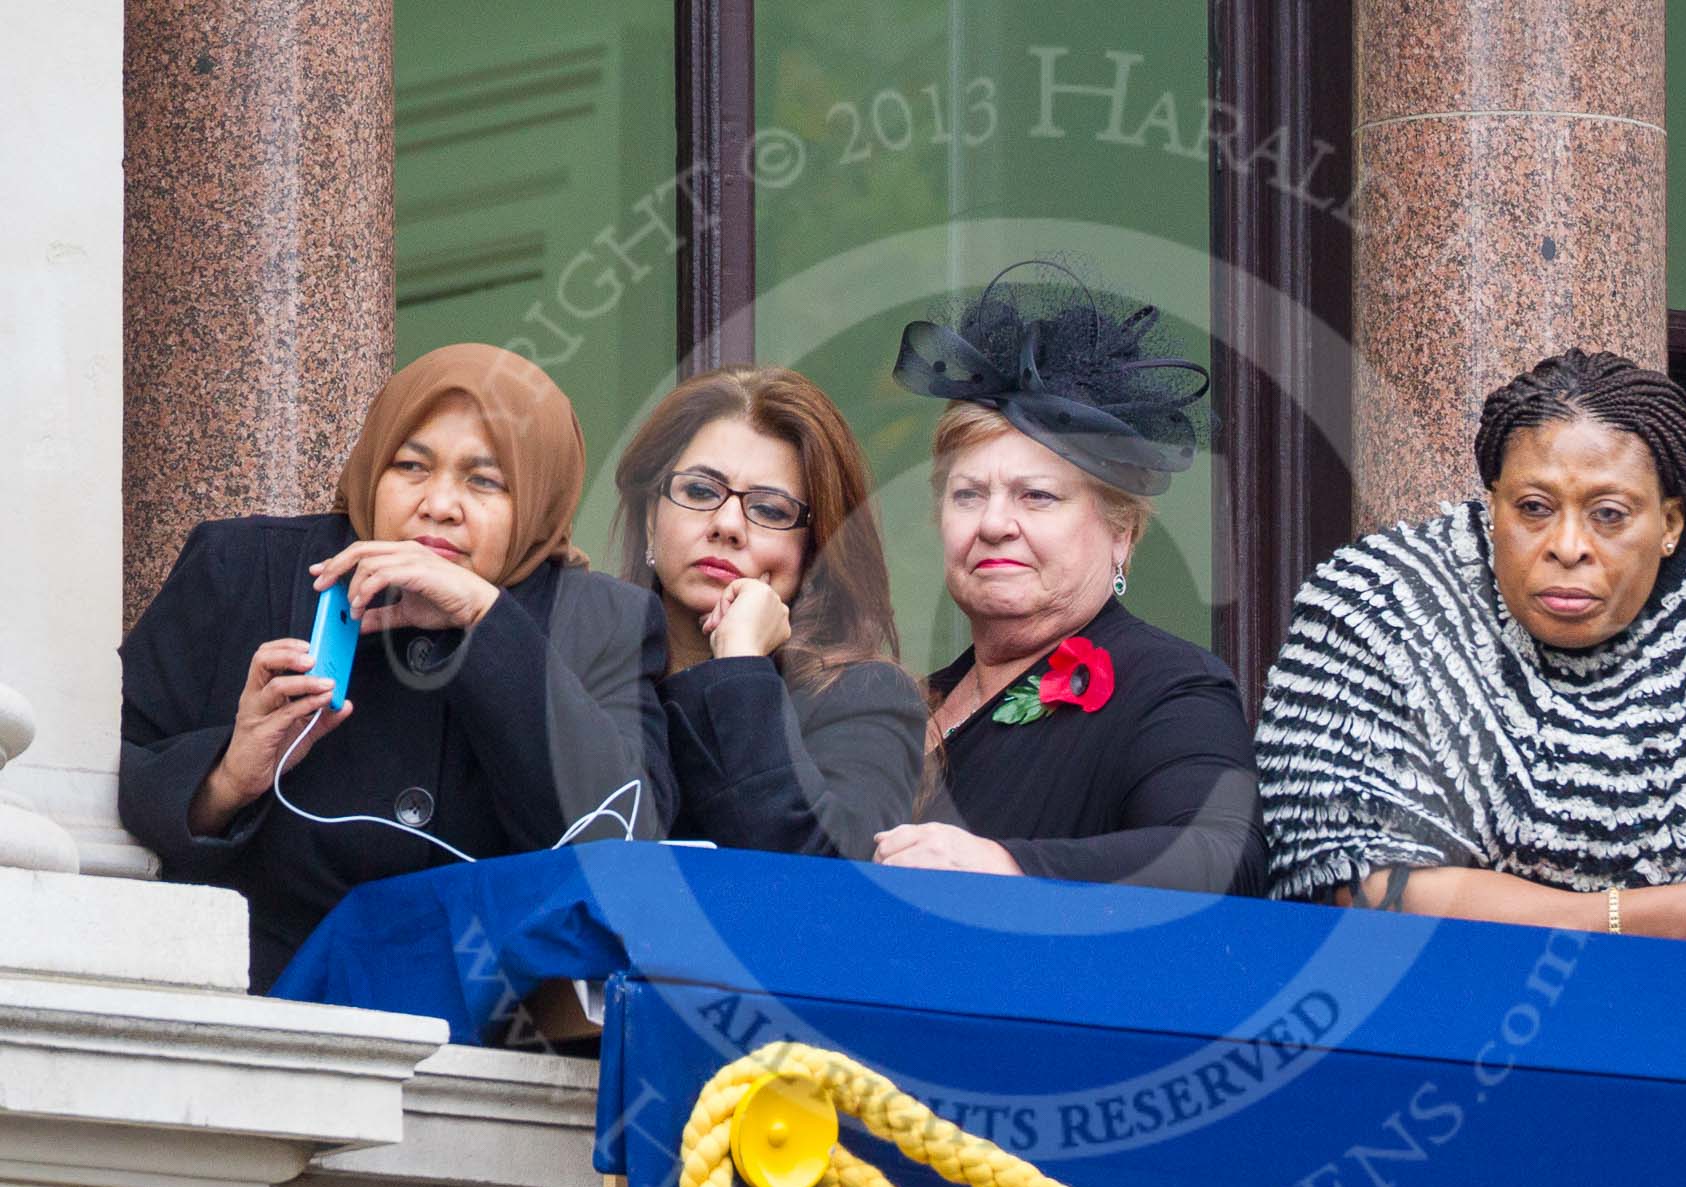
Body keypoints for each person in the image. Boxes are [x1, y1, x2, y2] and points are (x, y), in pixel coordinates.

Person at [1257, 348, 1686, 954]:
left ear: (1669, 524)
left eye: (1609, 514)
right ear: (1493, 506)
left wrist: (1485, 902)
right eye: (1533, 508)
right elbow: (1354, 888)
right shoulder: (1380, 604)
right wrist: (1661, 914)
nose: (1568, 545)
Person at [120, 344, 675, 990]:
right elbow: (100, 773)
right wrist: (225, 778)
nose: (439, 503)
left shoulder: (600, 623)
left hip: (488, 1052)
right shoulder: (247, 572)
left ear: (540, 501)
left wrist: (486, 621)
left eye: (485, 480)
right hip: (251, 1022)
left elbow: (625, 846)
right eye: (411, 465)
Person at [874, 261, 1267, 897]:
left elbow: (1221, 853)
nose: (995, 523)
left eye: (1037, 497)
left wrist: (1006, 865)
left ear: (1122, 532)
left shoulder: (1166, 685)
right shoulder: (911, 703)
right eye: (968, 494)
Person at [614, 366, 925, 857]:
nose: (728, 524)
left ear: (815, 548)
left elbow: (819, 881)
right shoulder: (590, 673)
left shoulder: (864, 697)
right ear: (652, 519)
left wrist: (739, 664)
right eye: (699, 491)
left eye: (771, 510)